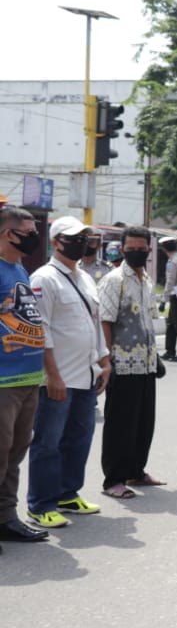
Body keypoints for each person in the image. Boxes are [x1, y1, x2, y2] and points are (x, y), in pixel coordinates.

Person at [26, 216, 111, 528]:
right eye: (74, 238)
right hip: (59, 377)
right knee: (48, 442)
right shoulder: (44, 279)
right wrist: (52, 375)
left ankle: (67, 494)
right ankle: (40, 505)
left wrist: (104, 360)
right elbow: (41, 330)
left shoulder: (85, 277)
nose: (81, 243)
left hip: (86, 374)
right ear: (55, 242)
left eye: (84, 238)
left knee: (79, 438)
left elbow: (94, 323)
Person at [98, 225, 165, 499]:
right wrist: (107, 361)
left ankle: (136, 471)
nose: (136, 252)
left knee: (143, 422)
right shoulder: (114, 280)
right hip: (122, 363)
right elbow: (105, 321)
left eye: (141, 248)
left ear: (149, 250)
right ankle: (114, 479)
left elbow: (147, 321)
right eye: (131, 248)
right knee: (120, 425)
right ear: (122, 250)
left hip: (146, 363)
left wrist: (156, 357)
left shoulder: (146, 280)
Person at [0, 207, 49, 547]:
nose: (35, 238)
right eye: (29, 232)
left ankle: (5, 518)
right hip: (3, 382)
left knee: (14, 456)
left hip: (27, 378)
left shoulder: (18, 268)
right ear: (9, 234)